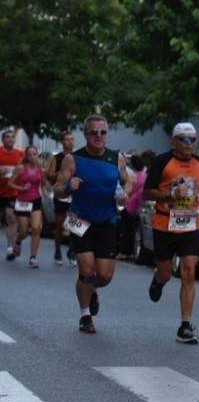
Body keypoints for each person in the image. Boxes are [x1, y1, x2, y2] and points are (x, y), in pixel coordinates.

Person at [54, 115, 131, 334]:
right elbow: (57, 188)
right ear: (85, 134)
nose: (98, 136)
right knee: (87, 271)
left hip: (107, 220)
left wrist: (125, 194)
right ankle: (85, 315)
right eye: (93, 132)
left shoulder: (116, 158)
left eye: (102, 132)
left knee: (104, 276)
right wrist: (69, 187)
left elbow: (128, 181)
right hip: (79, 219)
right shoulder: (73, 159)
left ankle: (92, 290)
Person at [144, 123, 199, 344]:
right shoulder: (162, 161)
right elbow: (147, 191)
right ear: (173, 141)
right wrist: (168, 195)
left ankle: (185, 325)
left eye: (192, 139)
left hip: (190, 224)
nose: (188, 144)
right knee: (166, 272)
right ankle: (158, 280)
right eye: (183, 139)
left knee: (189, 271)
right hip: (164, 223)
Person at [11, 145, 45, 269]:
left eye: (34, 154)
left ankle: (33, 258)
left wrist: (45, 192)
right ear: (26, 156)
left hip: (36, 200)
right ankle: (19, 240)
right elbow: (10, 183)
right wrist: (21, 188)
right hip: (22, 201)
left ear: (37, 155)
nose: (32, 156)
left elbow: (43, 183)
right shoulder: (21, 168)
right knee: (24, 231)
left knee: (36, 228)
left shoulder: (41, 169)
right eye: (29, 154)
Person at [45, 130, 76, 266]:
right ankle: (57, 250)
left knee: (74, 225)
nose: (70, 142)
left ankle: (72, 250)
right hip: (61, 194)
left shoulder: (77, 156)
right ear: (62, 142)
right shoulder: (56, 158)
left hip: (75, 195)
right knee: (60, 224)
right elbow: (49, 175)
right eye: (67, 139)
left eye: (72, 139)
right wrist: (62, 172)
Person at [1, 129, 25, 261]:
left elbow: (28, 169)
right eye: (7, 137)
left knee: (11, 219)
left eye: (12, 137)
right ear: (3, 140)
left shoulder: (20, 154)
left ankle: (10, 248)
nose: (10, 139)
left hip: (11, 192)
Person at [119, 154, 147, 259]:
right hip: (139, 205)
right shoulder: (145, 176)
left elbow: (127, 191)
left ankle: (124, 252)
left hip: (129, 205)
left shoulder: (132, 176)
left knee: (125, 229)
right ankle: (132, 251)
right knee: (133, 230)